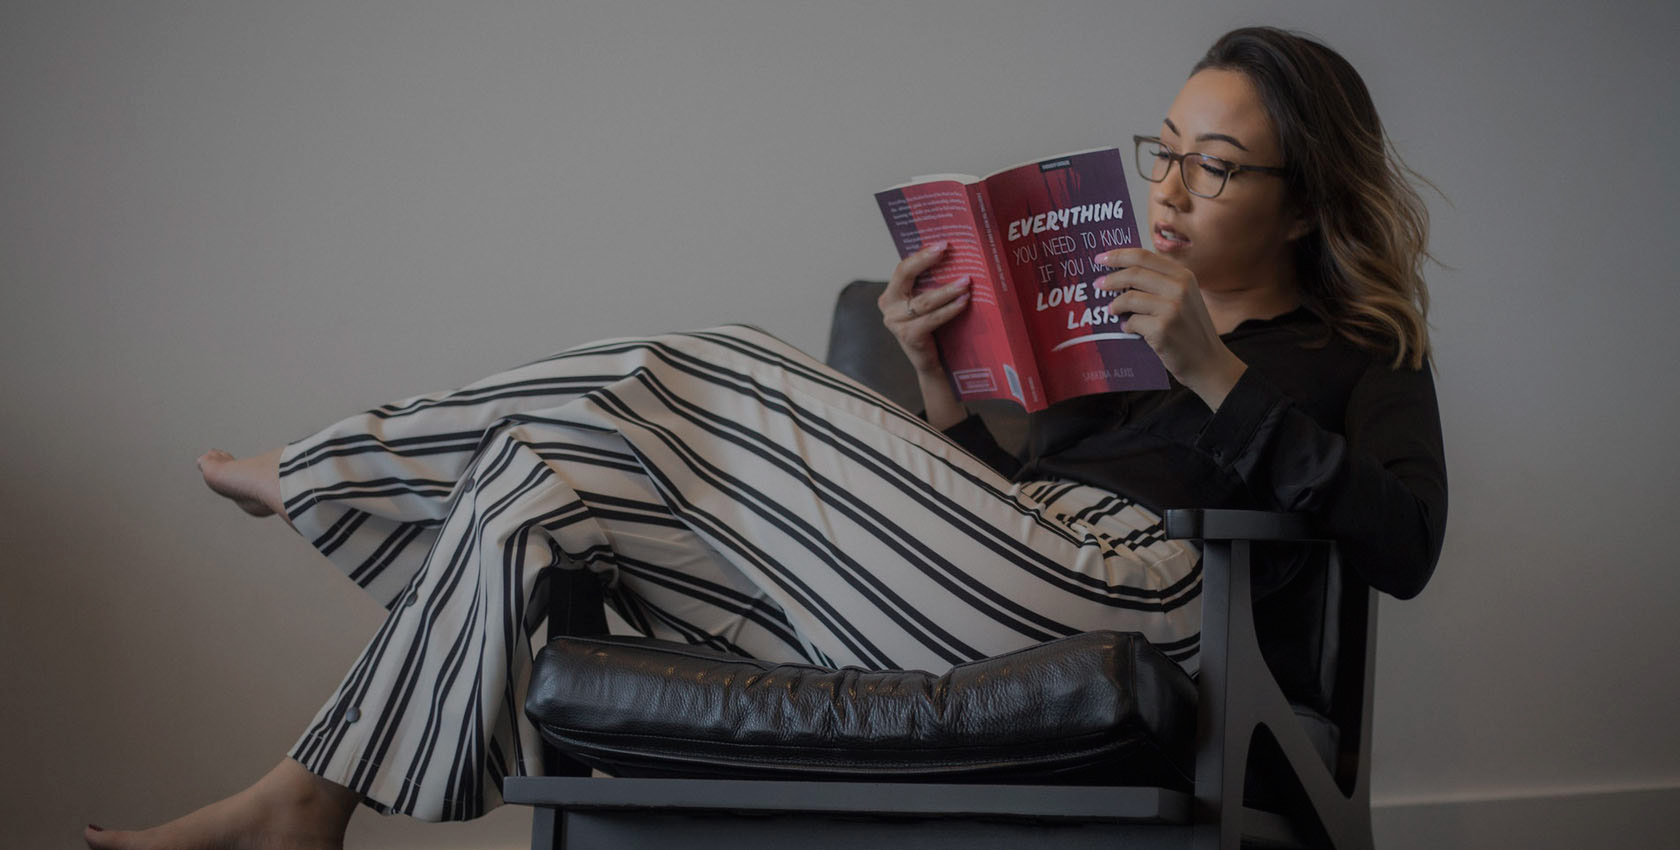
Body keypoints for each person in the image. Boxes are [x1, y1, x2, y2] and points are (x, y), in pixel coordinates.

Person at [85, 25, 1445, 850]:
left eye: (1217, 165)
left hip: (1160, 607)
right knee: (533, 482)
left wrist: (1213, 371)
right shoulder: (1114, 329)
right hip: (1011, 582)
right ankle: (308, 801)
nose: (1172, 189)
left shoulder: (1358, 351)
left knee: (716, 363)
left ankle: (329, 470)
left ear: (1304, 202)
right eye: (1166, 149)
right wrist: (941, 385)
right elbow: (1011, 515)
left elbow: (1406, 544)